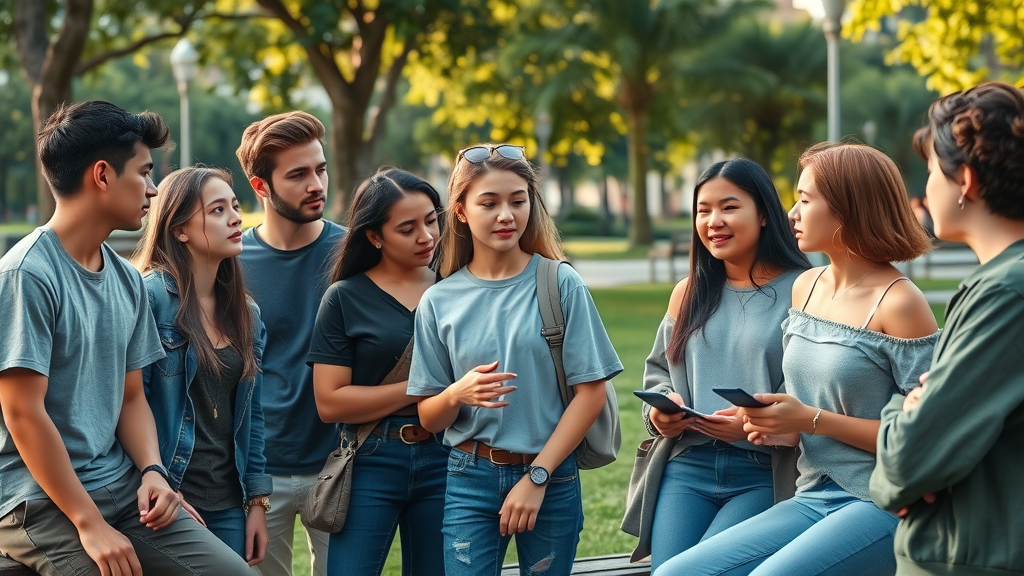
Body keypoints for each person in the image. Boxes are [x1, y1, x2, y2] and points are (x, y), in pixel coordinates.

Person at [655, 143, 939, 576]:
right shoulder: (807, 287)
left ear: (847, 208)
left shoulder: (900, 302)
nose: (791, 214)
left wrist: (809, 420)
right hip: (811, 492)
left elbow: (928, 436)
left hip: (881, 499)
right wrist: (774, 424)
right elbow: (802, 410)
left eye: (805, 200)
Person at [0, 100, 252, 575]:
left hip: (120, 484)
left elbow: (131, 397)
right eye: (144, 173)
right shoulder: (27, 274)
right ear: (102, 175)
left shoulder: (127, 280)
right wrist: (89, 523)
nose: (153, 189)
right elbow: (23, 413)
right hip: (39, 499)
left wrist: (153, 470)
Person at [407, 144, 623, 576]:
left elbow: (590, 394)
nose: (506, 215)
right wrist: (457, 393)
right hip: (469, 477)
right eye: (489, 203)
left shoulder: (560, 283)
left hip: (551, 476)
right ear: (461, 211)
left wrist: (538, 477)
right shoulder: (438, 300)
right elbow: (429, 418)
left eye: (517, 201)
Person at [870, 82, 1024, 575]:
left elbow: (905, 464)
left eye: (934, 170)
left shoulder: (1005, 294)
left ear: (966, 181)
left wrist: (901, 407)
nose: (927, 187)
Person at [638, 158, 810, 570]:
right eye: (704, 210)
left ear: (764, 214)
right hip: (687, 465)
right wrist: (660, 413)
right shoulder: (688, 292)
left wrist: (753, 425)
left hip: (763, 471)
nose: (714, 221)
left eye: (729, 207)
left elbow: (812, 382)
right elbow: (659, 372)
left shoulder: (805, 289)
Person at [308, 168, 448, 576]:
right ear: (374, 236)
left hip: (446, 456)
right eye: (407, 228)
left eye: (431, 220)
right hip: (371, 458)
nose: (426, 236)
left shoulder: (456, 288)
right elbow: (330, 403)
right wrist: (422, 388)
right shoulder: (344, 298)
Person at [133, 166, 272, 566]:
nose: (236, 218)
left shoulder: (246, 313)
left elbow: (252, 415)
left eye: (235, 206)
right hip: (167, 494)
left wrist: (256, 502)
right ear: (180, 230)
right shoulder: (150, 298)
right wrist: (156, 479)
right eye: (217, 210)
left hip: (227, 501)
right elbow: (131, 401)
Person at [235, 111, 345, 576]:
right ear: (261, 187)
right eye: (298, 175)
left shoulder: (353, 253)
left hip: (341, 462)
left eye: (320, 169)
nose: (316, 184)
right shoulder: (231, 261)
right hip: (259, 471)